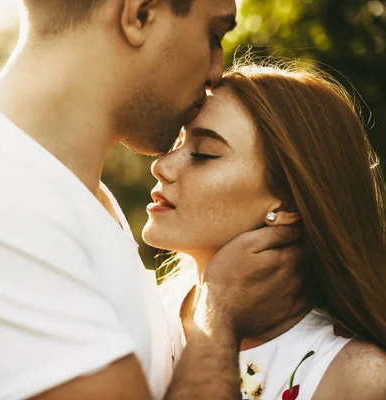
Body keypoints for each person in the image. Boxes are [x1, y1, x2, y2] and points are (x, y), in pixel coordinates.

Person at [0, 1, 304, 399]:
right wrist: (217, 319)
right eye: (213, 33)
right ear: (138, 14)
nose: (215, 70)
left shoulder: (74, 193)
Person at [145, 62, 386, 400]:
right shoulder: (133, 312)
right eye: (179, 142)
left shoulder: (356, 377)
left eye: (203, 154)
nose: (161, 165)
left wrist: (219, 312)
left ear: (287, 205)